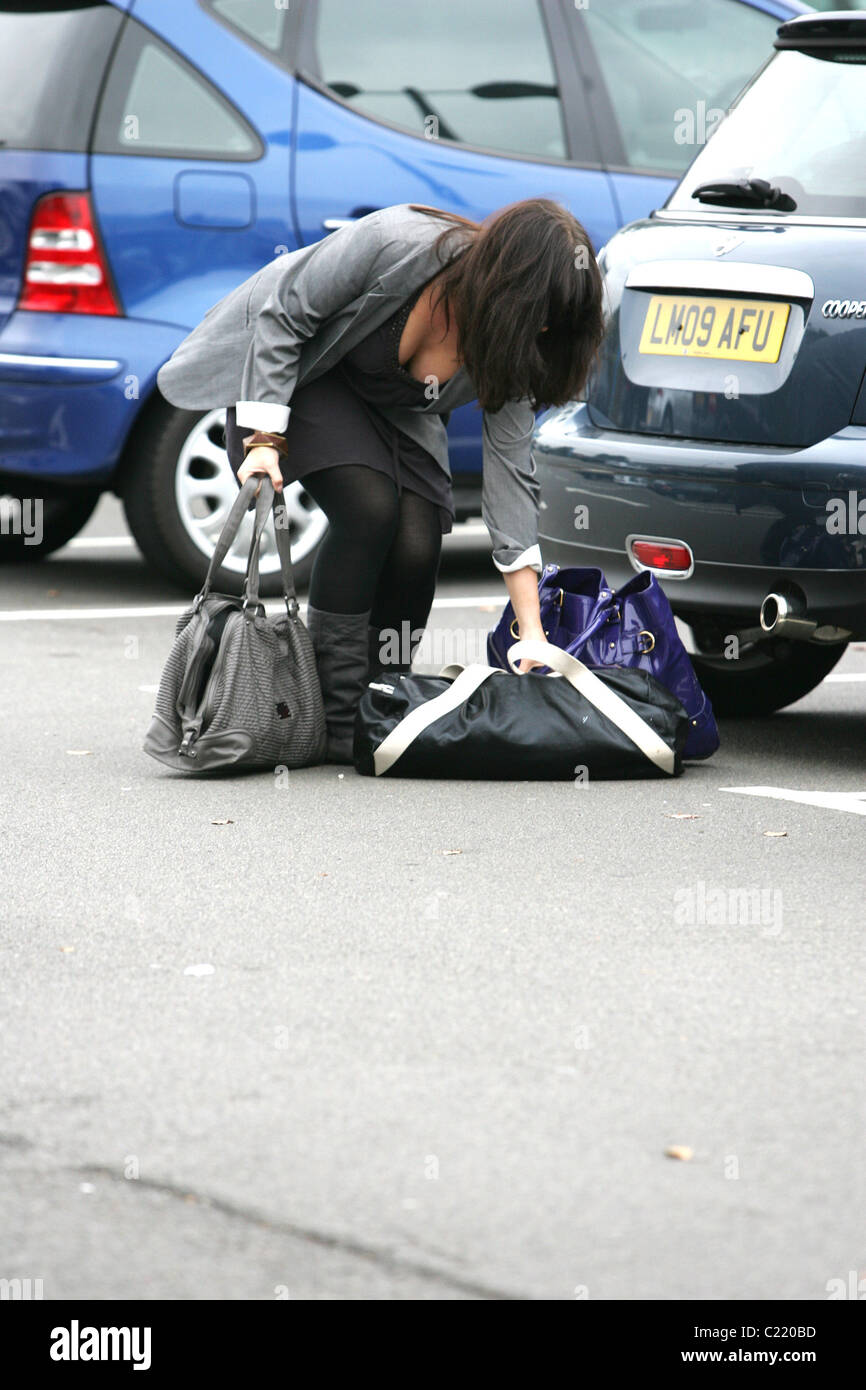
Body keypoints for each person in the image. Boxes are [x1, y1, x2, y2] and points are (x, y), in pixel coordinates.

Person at [157, 200, 604, 763]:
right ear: (504, 287)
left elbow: (511, 477)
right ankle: (334, 716)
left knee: (419, 539)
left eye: (553, 324)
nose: (542, 330)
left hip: (394, 409)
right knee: (370, 511)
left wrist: (532, 631)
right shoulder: (395, 243)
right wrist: (264, 441)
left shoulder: (518, 343)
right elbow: (286, 313)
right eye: (538, 314)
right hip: (308, 371)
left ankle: (381, 699)